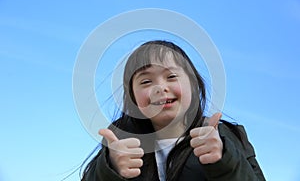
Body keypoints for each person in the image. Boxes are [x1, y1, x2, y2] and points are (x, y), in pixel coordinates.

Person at [81, 40, 266, 181]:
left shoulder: (226, 136)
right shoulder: (119, 140)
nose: (160, 88)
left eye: (171, 76)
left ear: (193, 85)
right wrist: (110, 169)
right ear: (133, 97)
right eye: (146, 81)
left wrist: (224, 160)